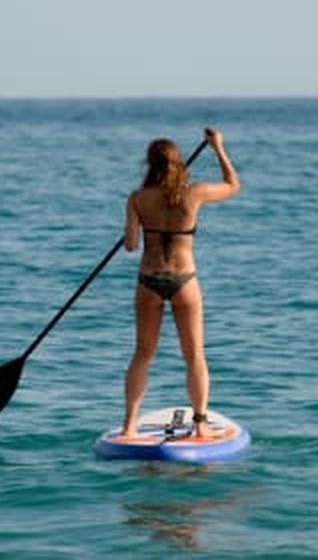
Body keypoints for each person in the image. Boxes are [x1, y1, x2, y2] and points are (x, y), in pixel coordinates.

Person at [121, 127, 240, 438]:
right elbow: (233, 185)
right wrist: (217, 148)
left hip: (149, 280)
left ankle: (130, 425)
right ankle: (200, 426)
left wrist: (133, 223)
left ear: (149, 164)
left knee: (142, 353)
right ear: (178, 165)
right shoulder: (194, 193)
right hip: (184, 280)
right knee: (195, 355)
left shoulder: (137, 199)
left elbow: (131, 246)